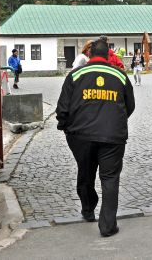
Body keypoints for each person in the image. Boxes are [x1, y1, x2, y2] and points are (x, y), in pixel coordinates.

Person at [56, 38, 135, 237]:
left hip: (81, 136)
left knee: (85, 172)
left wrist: (67, 129)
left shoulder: (75, 75)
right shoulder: (120, 76)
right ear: (108, 56)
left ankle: (88, 209)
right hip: (112, 137)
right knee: (110, 179)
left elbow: (62, 109)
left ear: (89, 55)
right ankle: (108, 226)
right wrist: (116, 121)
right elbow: (130, 106)